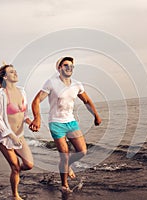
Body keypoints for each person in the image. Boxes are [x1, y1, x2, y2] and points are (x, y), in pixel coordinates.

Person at [29, 57, 101, 193]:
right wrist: (37, 118)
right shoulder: (51, 83)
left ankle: (68, 166)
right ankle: (64, 185)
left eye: (71, 66)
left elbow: (86, 100)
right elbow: (36, 101)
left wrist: (96, 115)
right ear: (59, 68)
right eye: (66, 65)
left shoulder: (77, 85)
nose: (69, 68)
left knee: (82, 152)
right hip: (56, 123)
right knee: (64, 155)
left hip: (71, 122)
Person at [0, 64, 34, 200]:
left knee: (29, 165)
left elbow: (24, 114)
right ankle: (15, 195)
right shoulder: (1, 96)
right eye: (11, 72)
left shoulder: (22, 92)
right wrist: (11, 136)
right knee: (15, 166)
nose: (15, 73)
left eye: (15, 71)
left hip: (20, 136)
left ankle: (14, 173)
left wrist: (30, 123)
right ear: (5, 76)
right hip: (5, 138)